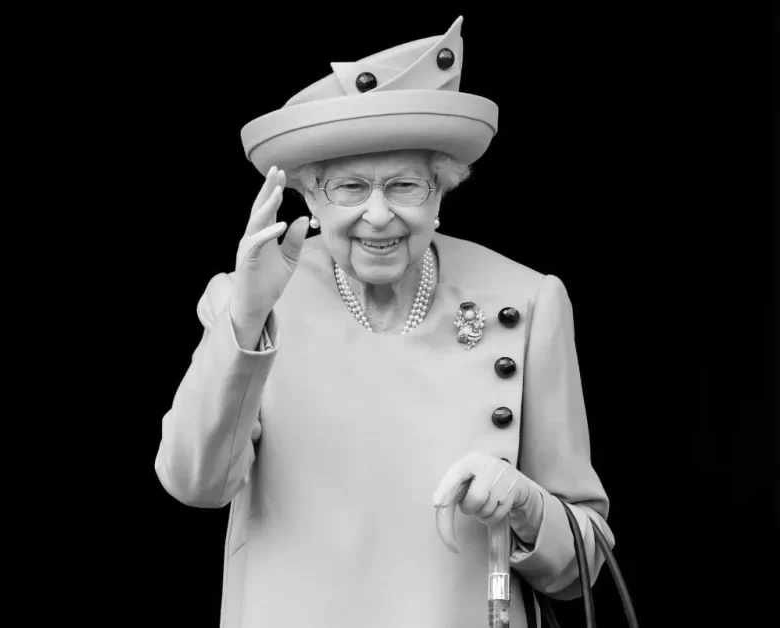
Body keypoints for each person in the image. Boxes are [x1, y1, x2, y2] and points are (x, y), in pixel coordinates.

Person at [155, 16, 615, 628]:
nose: (378, 215)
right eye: (350, 188)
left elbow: (583, 563)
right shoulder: (249, 300)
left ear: (441, 191)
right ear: (311, 198)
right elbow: (194, 484)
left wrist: (527, 505)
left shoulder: (528, 300)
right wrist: (248, 316)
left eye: (404, 185)